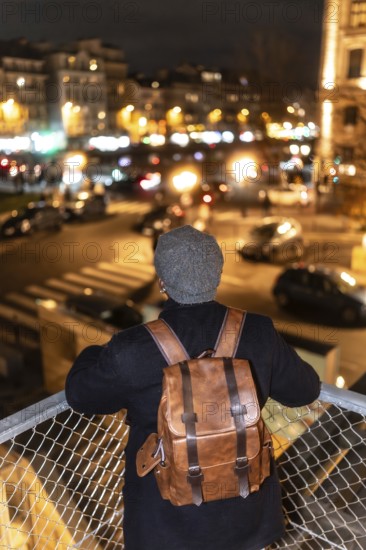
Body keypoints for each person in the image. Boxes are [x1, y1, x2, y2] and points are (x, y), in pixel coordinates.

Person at [65, 225, 321, 550]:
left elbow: (80, 395)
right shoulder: (258, 332)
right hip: (247, 517)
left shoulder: (130, 349)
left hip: (165, 526)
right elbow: (305, 390)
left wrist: (93, 353)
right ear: (217, 276)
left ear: (162, 282)